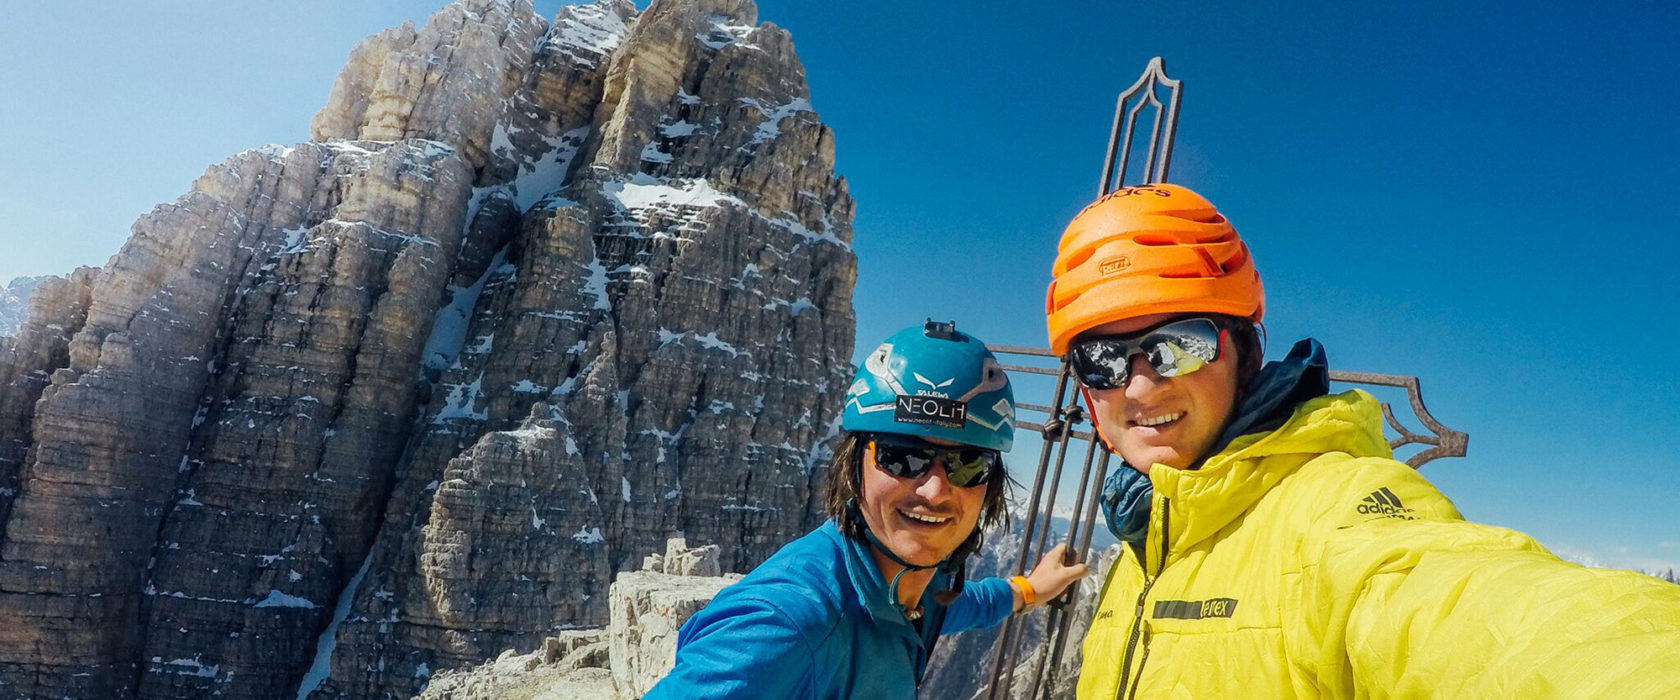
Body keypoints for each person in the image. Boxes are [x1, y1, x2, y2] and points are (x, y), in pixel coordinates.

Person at [1043, 183, 1680, 698]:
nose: (1138, 386)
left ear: (1244, 350)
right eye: (1099, 360)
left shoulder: (1334, 513)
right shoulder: (1151, 530)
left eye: (1179, 344)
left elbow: (1489, 619)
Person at [646, 320, 1089, 699]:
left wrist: (1029, 590)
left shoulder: (906, 587)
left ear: (989, 485)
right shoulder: (784, 624)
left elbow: (954, 604)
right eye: (902, 456)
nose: (935, 490)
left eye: (968, 464)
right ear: (852, 467)